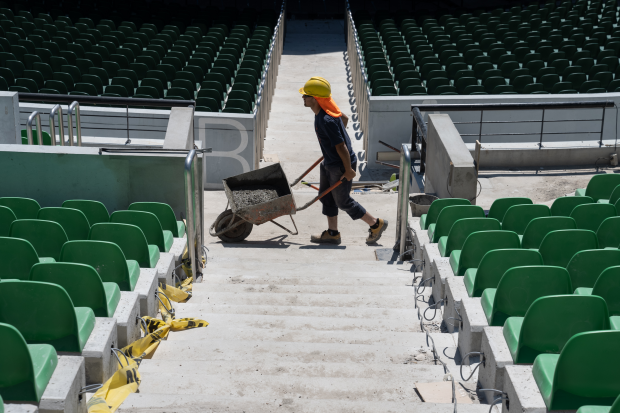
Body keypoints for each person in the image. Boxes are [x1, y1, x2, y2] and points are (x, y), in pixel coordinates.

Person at [299, 76, 388, 245]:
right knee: (327, 197)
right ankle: (333, 233)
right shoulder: (325, 112)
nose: (303, 97)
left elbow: (341, 148)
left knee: (343, 201)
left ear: (316, 99)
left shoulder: (327, 120)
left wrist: (348, 170)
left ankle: (375, 224)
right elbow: (344, 119)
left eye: (306, 95)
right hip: (330, 162)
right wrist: (332, 144)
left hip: (340, 165)